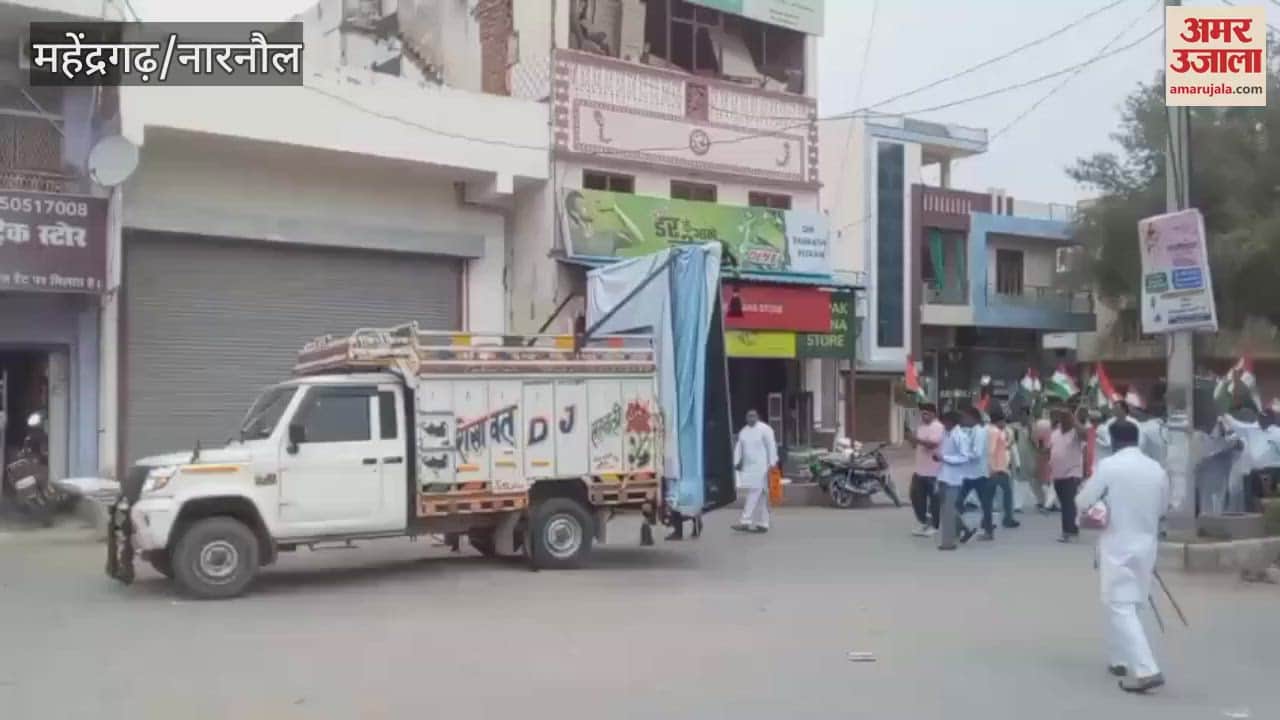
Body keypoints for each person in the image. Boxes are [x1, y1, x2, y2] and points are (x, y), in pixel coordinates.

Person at [1075, 420, 1170, 693]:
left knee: (1119, 604)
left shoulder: (1109, 466)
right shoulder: (1156, 469)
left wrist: (1099, 505)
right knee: (1134, 602)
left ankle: (1146, 669)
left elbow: (1083, 501)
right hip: (1147, 543)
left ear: (1114, 441)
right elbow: (1163, 508)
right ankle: (1119, 659)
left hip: (1117, 543)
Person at [732, 409, 778, 534]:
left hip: (763, 468)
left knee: (753, 492)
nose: (751, 418)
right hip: (750, 468)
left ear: (758, 417)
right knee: (762, 496)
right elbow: (739, 448)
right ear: (746, 418)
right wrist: (736, 463)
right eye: (749, 416)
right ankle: (763, 524)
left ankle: (745, 521)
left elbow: (771, 446)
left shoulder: (765, 429)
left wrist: (772, 463)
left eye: (753, 416)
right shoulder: (744, 431)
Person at [934, 410, 974, 550]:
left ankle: (948, 543)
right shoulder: (946, 434)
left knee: (948, 511)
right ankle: (965, 529)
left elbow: (965, 457)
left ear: (951, 422)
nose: (943, 424)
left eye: (944, 421)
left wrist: (945, 458)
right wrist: (939, 457)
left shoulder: (960, 436)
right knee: (946, 508)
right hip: (943, 475)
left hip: (954, 478)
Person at [905, 403, 945, 537]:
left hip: (934, 472)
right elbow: (915, 445)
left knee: (934, 500)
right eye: (922, 413)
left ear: (934, 414)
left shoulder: (937, 427)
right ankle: (924, 522)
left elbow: (933, 444)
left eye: (926, 413)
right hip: (920, 470)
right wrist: (910, 438)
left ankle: (935, 526)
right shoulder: (921, 427)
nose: (923, 415)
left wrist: (917, 440)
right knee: (915, 497)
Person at [955, 405, 993, 541]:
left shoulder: (979, 432)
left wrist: (963, 454)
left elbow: (976, 453)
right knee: (957, 503)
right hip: (968, 474)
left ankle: (988, 532)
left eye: (964, 417)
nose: (962, 420)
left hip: (979, 475)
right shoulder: (969, 431)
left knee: (985, 505)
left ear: (972, 418)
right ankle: (961, 528)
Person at [1050, 406, 1086, 543]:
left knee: (1068, 504)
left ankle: (1067, 532)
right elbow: (1051, 450)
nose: (1064, 420)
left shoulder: (1076, 433)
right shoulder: (1055, 433)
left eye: (1067, 417)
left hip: (1072, 473)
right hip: (1057, 474)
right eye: (1062, 417)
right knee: (1067, 503)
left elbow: (1085, 435)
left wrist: (1074, 420)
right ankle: (1073, 528)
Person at [988, 407, 1020, 530]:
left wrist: (1017, 463)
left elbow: (1010, 448)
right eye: (1002, 421)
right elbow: (990, 451)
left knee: (1001, 494)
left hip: (1003, 467)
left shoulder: (1006, 431)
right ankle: (1005, 519)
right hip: (996, 468)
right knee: (998, 494)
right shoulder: (992, 432)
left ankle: (1004, 518)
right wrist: (991, 468)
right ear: (997, 421)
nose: (1004, 424)